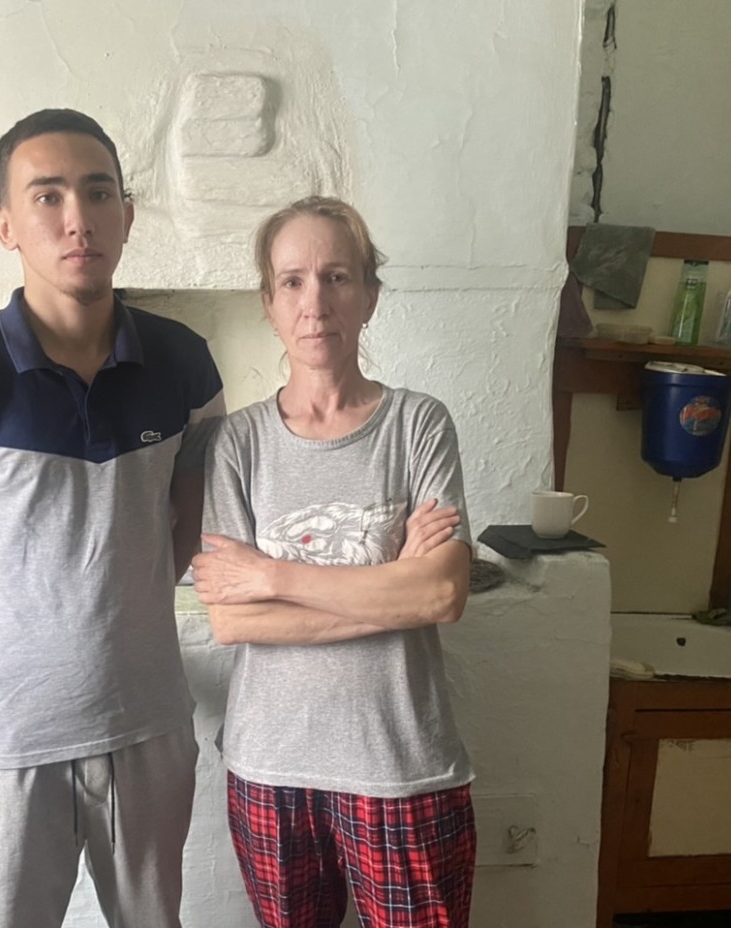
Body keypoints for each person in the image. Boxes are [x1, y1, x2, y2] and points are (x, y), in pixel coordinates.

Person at [0, 108, 224, 928]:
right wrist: (24, 638)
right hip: (10, 739)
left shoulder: (182, 362)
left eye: (98, 193)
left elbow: (189, 519)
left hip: (147, 724)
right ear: (4, 225)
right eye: (48, 196)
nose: (78, 219)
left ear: (126, 216)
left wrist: (122, 612)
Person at [192, 196, 476, 928]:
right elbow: (231, 621)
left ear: (370, 295)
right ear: (269, 303)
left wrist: (273, 577)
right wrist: (393, 588)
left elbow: (442, 596)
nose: (314, 302)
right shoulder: (238, 444)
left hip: (402, 765)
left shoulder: (418, 425)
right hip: (270, 768)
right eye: (292, 281)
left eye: (337, 277)